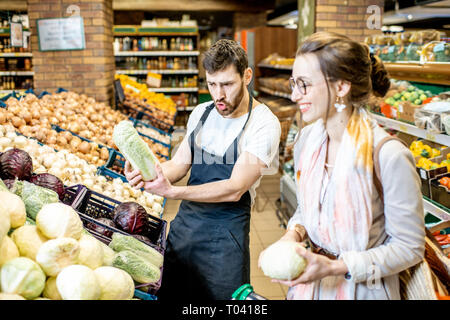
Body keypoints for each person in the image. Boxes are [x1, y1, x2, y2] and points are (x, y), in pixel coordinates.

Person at [259, 32, 425, 300]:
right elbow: (308, 206)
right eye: (293, 83)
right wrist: (294, 233)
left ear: (341, 87)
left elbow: (410, 247)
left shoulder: (388, 156)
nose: (293, 95)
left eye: (304, 84)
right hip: (310, 289)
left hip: (363, 290)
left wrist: (337, 266)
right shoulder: (307, 141)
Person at [125, 39, 281, 300]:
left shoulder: (263, 123)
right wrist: (149, 172)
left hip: (226, 239)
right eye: (211, 84)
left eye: (227, 84)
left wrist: (172, 192)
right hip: (185, 231)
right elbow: (179, 164)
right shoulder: (201, 113)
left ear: (247, 76)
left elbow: (234, 188)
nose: (218, 95)